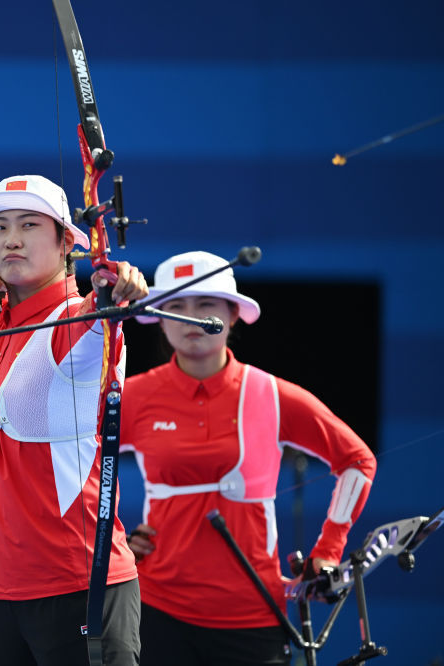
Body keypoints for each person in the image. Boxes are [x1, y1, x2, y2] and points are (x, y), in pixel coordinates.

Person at [0, 175, 148, 666]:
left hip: (79, 581)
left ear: (67, 242)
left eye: (29, 225)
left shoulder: (76, 322)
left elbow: (104, 310)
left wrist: (114, 286)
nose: (12, 239)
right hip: (7, 588)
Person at [119, 251, 377, 666]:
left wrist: (329, 549)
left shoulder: (271, 394)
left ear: (233, 314)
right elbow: (73, 466)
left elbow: (357, 461)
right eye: (176, 305)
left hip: (253, 611)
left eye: (205, 303)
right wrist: (113, 540)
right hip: (156, 610)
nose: (190, 317)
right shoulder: (133, 395)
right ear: (160, 319)